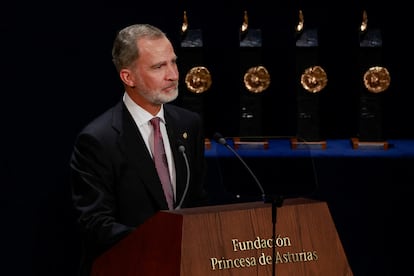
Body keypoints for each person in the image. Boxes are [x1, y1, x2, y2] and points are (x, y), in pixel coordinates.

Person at [69, 23, 209, 276]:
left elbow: (199, 199)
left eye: (173, 62)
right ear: (128, 77)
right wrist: (163, 244)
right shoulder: (98, 140)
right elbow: (96, 225)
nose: (173, 75)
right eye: (159, 66)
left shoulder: (189, 124)